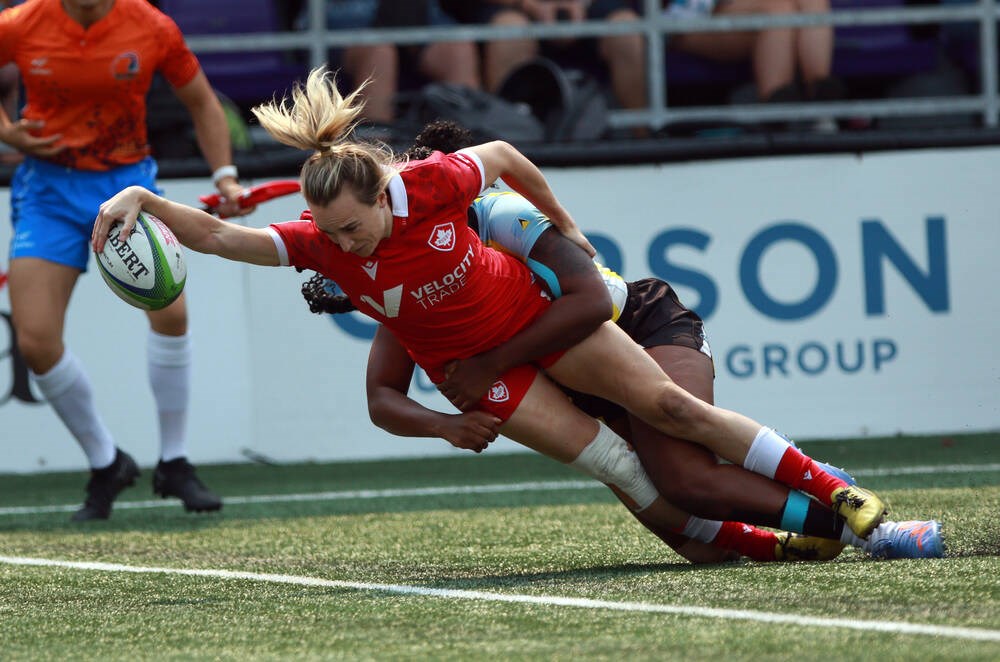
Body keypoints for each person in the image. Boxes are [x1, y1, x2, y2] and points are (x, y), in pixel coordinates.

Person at [92, 66, 890, 551]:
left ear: (382, 194)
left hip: (536, 327)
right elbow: (223, 240)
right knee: (635, 484)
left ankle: (841, 496)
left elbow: (506, 156)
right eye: (329, 233)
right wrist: (143, 198)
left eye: (353, 227)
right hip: (487, 374)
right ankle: (796, 543)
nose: (345, 245)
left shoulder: (431, 186)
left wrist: (568, 224)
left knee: (672, 410)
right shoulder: (325, 246)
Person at [300, 120, 943, 561]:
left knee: (684, 474)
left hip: (632, 325)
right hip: (574, 377)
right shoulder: (405, 277)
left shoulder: (495, 216)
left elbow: (588, 304)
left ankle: (859, 517)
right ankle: (802, 529)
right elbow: (382, 395)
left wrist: (491, 362)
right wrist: (443, 423)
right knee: (690, 539)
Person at [0, 0, 249, 521]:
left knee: (172, 315)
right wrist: (5, 129)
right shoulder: (20, 24)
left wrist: (225, 174)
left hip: (127, 189)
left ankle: (175, 462)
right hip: (47, 189)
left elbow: (203, 103)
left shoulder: (151, 25)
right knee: (36, 341)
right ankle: (106, 462)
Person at [439, 0, 647, 126]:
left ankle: (645, 136)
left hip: (590, 6)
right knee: (510, 31)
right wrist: (528, 4)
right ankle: (511, 144)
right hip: (511, 7)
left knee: (626, 29)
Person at [301, 0, 482, 127]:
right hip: (344, 16)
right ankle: (377, 163)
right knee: (379, 54)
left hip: (419, 13)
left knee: (459, 49)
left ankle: (468, 159)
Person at [665, 0, 843, 111]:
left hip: (738, 9)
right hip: (686, 19)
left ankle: (821, 96)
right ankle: (778, 111)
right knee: (777, 10)